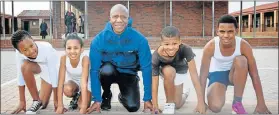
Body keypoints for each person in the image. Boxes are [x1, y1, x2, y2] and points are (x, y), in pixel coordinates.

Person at [87, 4, 153, 113]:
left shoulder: (140, 40)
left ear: (128, 19)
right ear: (110, 19)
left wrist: (147, 98)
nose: (119, 20)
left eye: (123, 17)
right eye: (115, 16)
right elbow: (94, 70)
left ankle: (123, 96)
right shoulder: (98, 40)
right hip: (109, 71)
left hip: (128, 73)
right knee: (105, 70)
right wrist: (96, 99)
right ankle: (106, 95)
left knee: (133, 107)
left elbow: (147, 68)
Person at [199, 14, 272, 114]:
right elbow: (202, 76)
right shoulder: (210, 46)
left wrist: (261, 103)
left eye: (230, 31)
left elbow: (254, 74)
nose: (226, 35)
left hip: (235, 74)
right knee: (215, 107)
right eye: (222, 31)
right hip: (217, 75)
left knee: (242, 61)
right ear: (217, 31)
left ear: (236, 31)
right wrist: (201, 102)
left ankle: (237, 104)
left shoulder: (244, 46)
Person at [152, 26, 206, 114]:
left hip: (181, 70)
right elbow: (154, 82)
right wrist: (155, 105)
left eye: (174, 43)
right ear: (161, 43)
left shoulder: (186, 49)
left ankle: (185, 93)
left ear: (180, 42)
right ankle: (169, 104)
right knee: (169, 71)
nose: (171, 47)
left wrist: (201, 102)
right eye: (167, 44)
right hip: (167, 72)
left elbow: (194, 75)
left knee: (177, 104)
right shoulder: (155, 56)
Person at [10, 30, 59, 114]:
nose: (31, 51)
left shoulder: (47, 48)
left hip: (53, 70)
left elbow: (53, 73)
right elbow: (20, 74)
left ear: (33, 40)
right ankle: (36, 100)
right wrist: (22, 101)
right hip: (38, 67)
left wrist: (56, 100)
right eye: (25, 50)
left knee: (44, 104)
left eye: (31, 45)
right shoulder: (19, 53)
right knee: (25, 66)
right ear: (19, 51)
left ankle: (44, 90)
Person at [56, 33, 92, 114]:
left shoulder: (85, 59)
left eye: (76, 48)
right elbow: (60, 82)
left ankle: (82, 97)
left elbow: (84, 83)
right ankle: (77, 95)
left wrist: (83, 107)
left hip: (86, 83)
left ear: (81, 49)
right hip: (74, 83)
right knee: (67, 89)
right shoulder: (63, 58)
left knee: (81, 106)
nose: (72, 51)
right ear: (65, 49)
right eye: (69, 48)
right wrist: (60, 105)